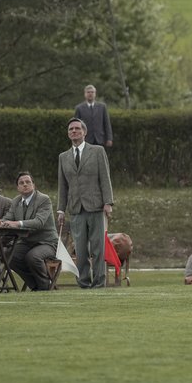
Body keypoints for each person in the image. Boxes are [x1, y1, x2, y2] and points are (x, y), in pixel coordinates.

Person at [57, 118, 114, 289]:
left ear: (84, 132)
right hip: (76, 209)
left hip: (96, 206)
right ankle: (83, 282)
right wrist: (61, 209)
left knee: (97, 249)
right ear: (68, 133)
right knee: (80, 251)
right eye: (71, 129)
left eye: (77, 128)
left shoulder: (97, 151)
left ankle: (98, 282)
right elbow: (62, 186)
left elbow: (105, 177)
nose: (74, 131)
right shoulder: (63, 157)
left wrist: (108, 202)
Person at [0, 172, 58, 291]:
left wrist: (17, 223)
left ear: (33, 185)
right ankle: (35, 285)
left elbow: (39, 222)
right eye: (21, 183)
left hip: (47, 242)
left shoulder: (44, 199)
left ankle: (45, 287)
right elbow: (8, 218)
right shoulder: (16, 201)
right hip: (26, 242)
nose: (25, 185)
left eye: (28, 182)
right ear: (17, 187)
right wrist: (0, 222)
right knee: (9, 256)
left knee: (33, 257)